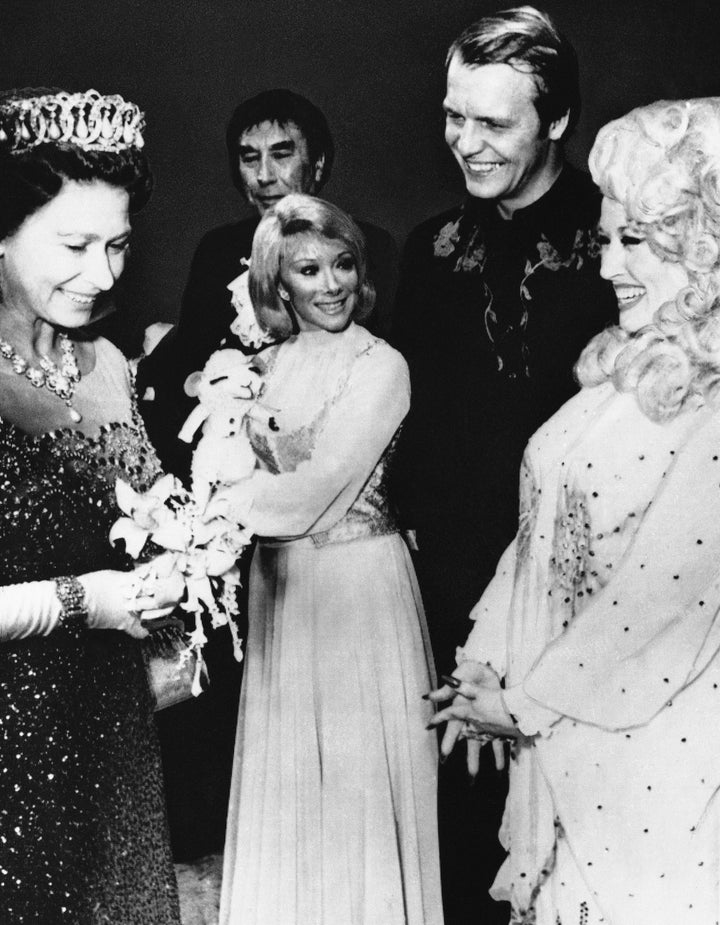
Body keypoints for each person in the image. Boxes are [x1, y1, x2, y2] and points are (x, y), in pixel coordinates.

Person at [430, 96, 720, 924]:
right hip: (565, 738)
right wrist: (484, 656)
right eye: (608, 237)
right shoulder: (621, 369)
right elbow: (536, 537)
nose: (607, 266)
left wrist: (521, 705)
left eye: (638, 240)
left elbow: (658, 600)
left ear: (704, 247)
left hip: (655, 753)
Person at [391, 8, 617, 923]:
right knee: (469, 808)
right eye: (455, 117)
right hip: (455, 576)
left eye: (494, 123)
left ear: (556, 119)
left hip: (592, 576)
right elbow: (417, 419)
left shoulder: (620, 237)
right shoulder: (431, 247)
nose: (465, 143)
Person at [213, 194, 442, 925]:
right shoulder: (257, 367)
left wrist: (210, 513)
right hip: (281, 593)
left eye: (344, 263)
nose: (333, 283)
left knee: (357, 794)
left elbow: (316, 492)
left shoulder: (383, 367)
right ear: (278, 282)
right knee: (292, 790)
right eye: (309, 269)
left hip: (357, 594)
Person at [0, 87, 183, 923]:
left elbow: (146, 517)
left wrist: (179, 576)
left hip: (113, 728)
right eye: (74, 244)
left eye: (118, 245)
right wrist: (88, 600)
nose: (102, 274)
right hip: (14, 746)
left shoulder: (107, 363)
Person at [139, 87, 398, 482]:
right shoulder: (217, 250)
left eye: (281, 155)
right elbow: (184, 363)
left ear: (318, 164)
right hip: (230, 466)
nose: (263, 176)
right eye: (249, 158)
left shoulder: (368, 246)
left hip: (338, 469)